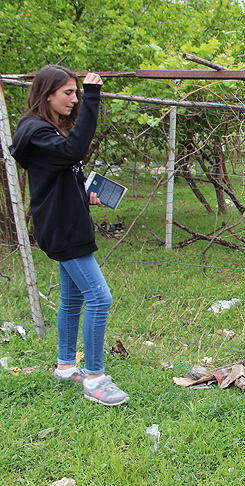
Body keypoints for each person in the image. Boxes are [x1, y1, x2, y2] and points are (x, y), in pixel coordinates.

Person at [10, 65, 129, 406]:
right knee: (100, 298)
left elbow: (62, 171)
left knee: (74, 298)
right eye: (68, 93)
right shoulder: (35, 132)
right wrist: (93, 97)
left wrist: (84, 193)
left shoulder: (50, 131)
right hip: (63, 229)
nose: (74, 99)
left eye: (77, 93)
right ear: (47, 93)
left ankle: (65, 366)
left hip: (68, 222)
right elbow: (73, 152)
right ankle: (94, 377)